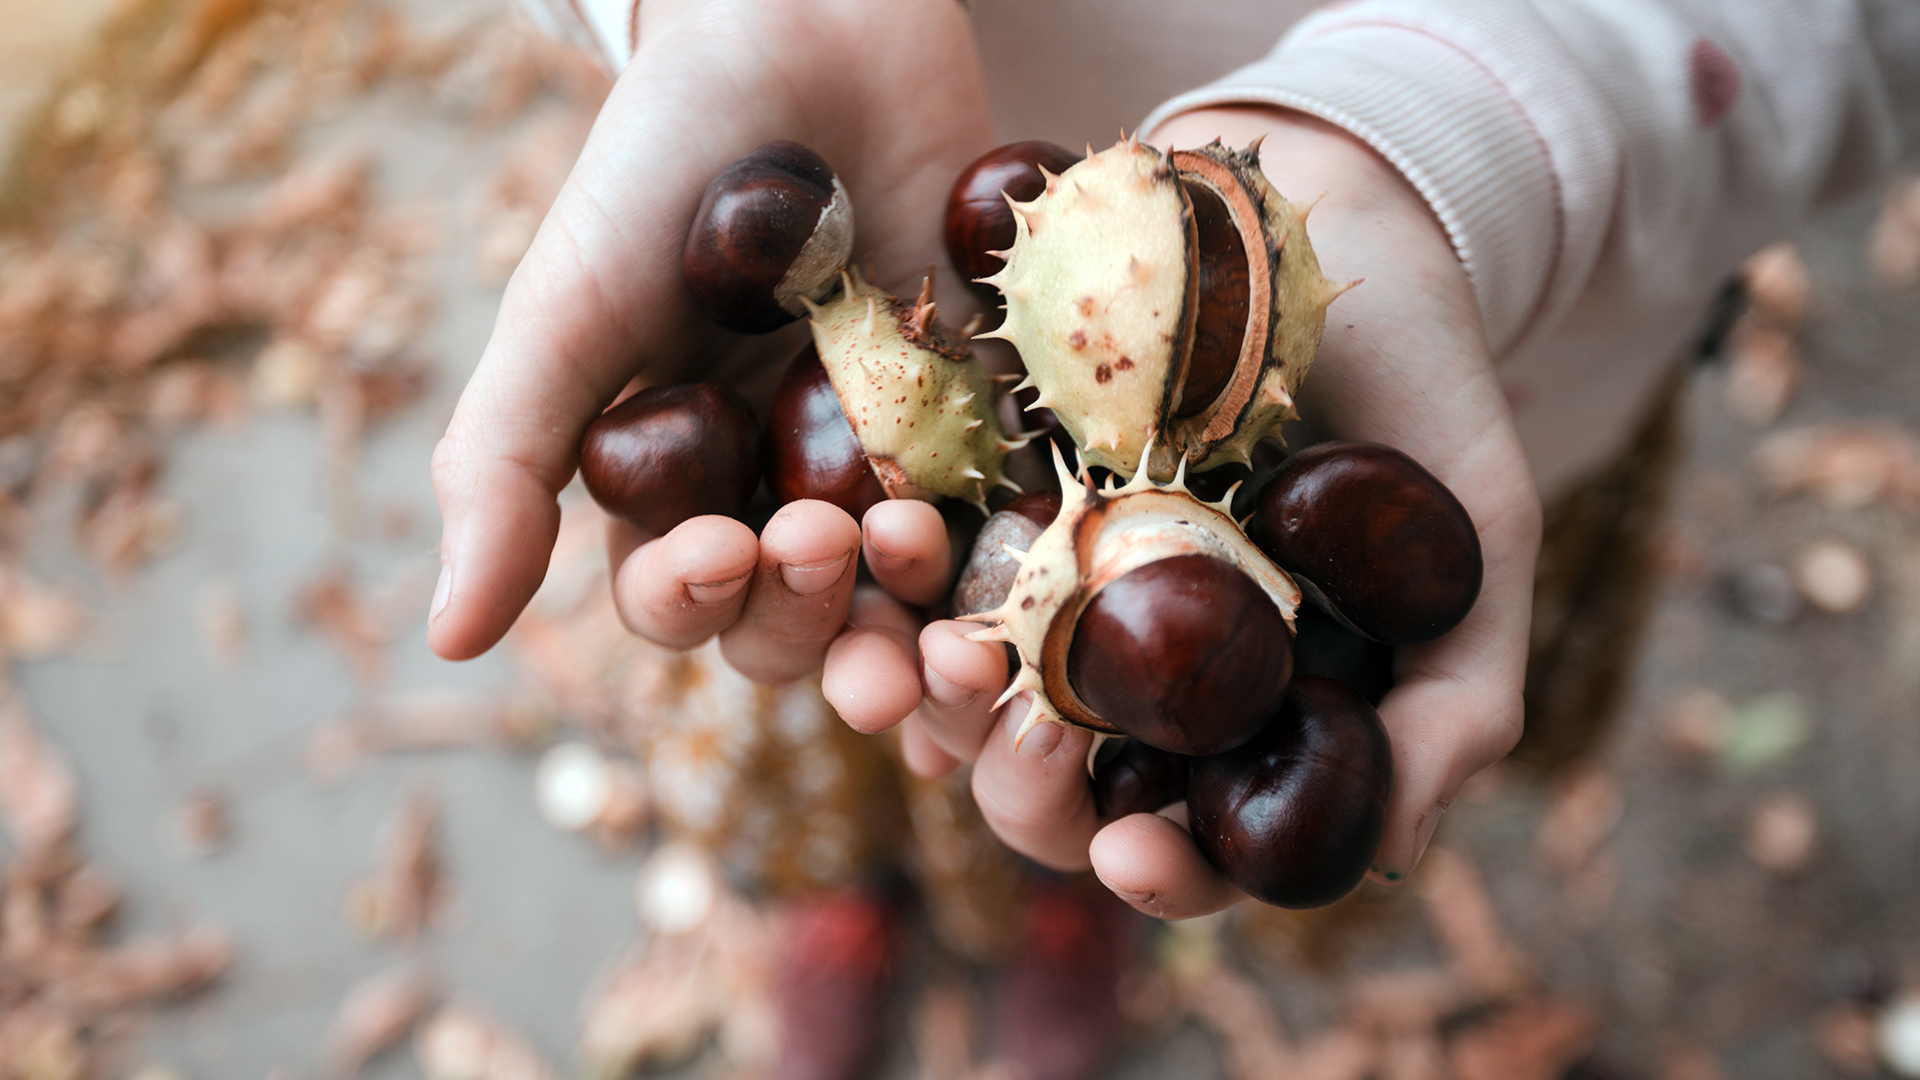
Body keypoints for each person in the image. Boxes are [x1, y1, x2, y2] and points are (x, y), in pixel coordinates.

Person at [427, 0, 1920, 920]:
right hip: (981, 495)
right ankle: (852, 898)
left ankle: (1057, 918)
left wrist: (1453, 141)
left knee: (1086, 789)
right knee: (877, 682)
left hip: (1542, 339)